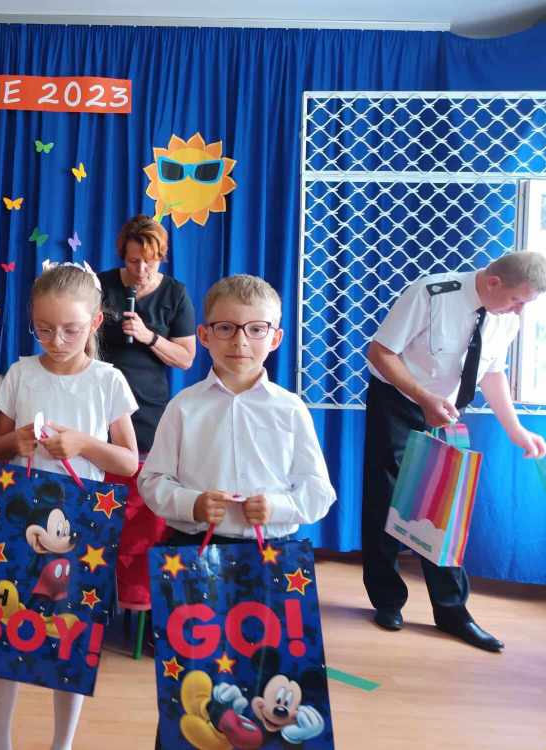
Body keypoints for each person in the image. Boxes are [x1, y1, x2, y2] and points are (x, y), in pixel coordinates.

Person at [138, 274, 336, 749]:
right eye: (225, 328)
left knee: (268, 675)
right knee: (191, 680)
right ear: (204, 335)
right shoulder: (184, 407)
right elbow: (152, 482)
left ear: (276, 337)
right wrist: (191, 502)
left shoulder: (290, 410)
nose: (240, 342)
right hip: (194, 557)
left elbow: (319, 493)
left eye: (255, 329)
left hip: (271, 561)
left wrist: (278, 506)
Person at [0, 261, 140, 750]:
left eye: (71, 329)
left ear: (95, 322)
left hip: (81, 524)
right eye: (44, 329)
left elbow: (129, 461)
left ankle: (62, 743)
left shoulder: (108, 380)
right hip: (18, 519)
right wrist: (16, 441)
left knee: (70, 637)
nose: (56, 340)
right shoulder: (20, 373)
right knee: (5, 629)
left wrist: (84, 445)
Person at [362, 251, 546, 652]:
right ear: (493, 282)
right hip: (397, 401)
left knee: (446, 507)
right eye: (518, 300)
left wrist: (516, 430)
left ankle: (452, 612)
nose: (520, 310)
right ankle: (387, 600)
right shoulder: (430, 293)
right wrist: (422, 397)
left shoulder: (506, 318)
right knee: (386, 501)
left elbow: (492, 373)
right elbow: (380, 352)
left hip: (445, 409)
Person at [98, 215, 196, 454]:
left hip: (148, 408)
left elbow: (186, 359)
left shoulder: (175, 293)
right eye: (133, 261)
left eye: (150, 262)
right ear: (123, 257)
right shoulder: (101, 284)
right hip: (101, 400)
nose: (141, 270)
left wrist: (148, 336)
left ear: (161, 257)